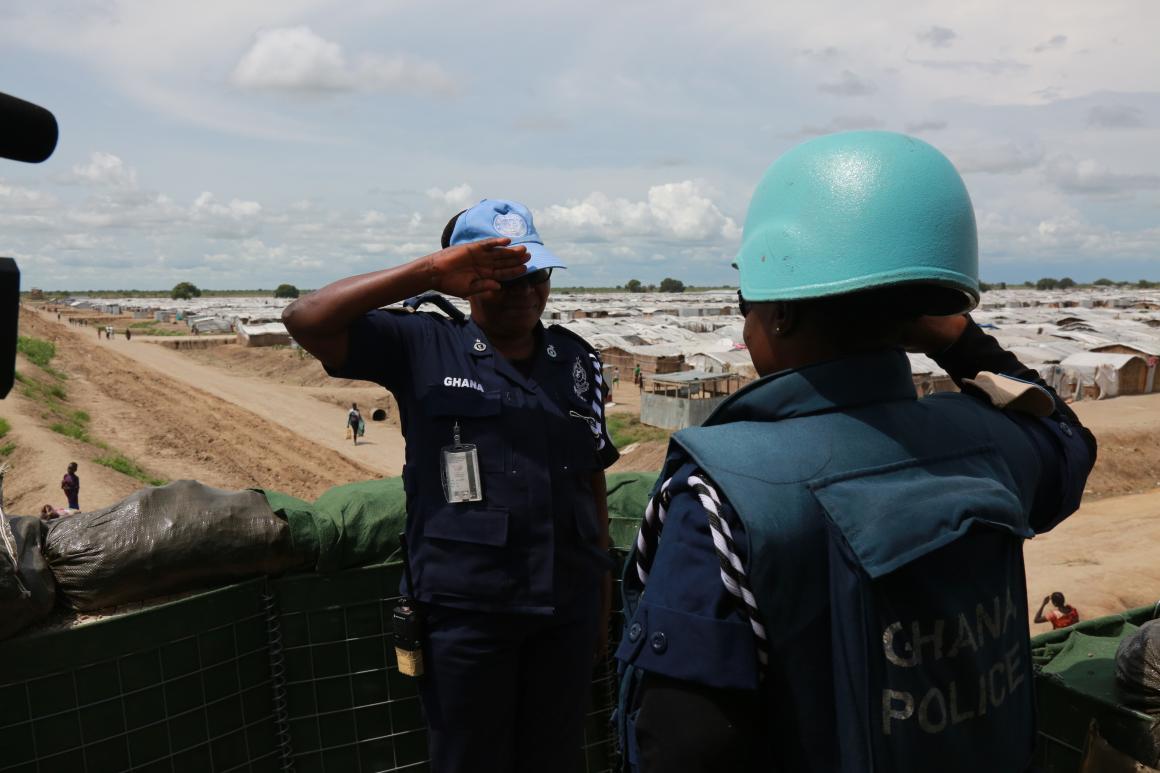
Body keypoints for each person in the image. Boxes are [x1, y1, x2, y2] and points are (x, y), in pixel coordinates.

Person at [614, 132, 1097, 773]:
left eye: (747, 306)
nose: (744, 326)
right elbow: (1069, 441)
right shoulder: (992, 442)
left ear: (780, 312)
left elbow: (684, 744)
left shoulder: (724, 495)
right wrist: (960, 342)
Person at [283, 198, 619, 773]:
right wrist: (430, 271)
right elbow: (306, 319)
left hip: (567, 603)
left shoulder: (574, 359)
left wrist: (603, 591)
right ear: (466, 282)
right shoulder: (421, 344)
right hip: (467, 611)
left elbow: (591, 475)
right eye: (503, 277)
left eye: (535, 274)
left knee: (558, 756)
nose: (525, 290)